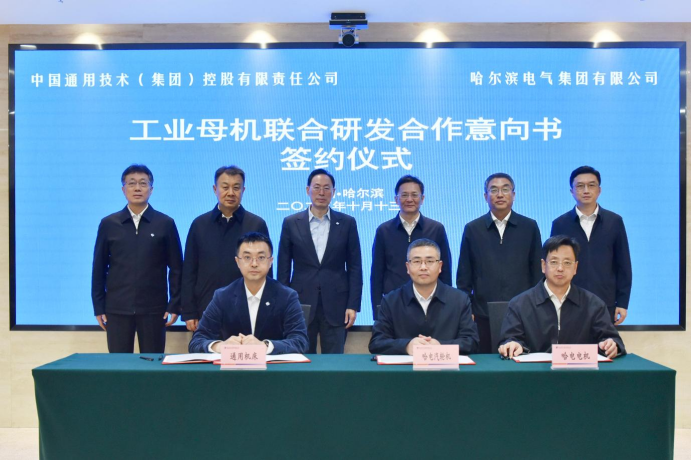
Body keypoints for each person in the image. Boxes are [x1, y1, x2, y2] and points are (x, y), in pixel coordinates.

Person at [91, 164, 182, 353]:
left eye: (143, 183)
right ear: (123, 189)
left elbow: (176, 268)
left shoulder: (165, 223)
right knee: (119, 365)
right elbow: (99, 268)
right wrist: (99, 306)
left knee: (153, 363)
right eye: (131, 183)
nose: (137, 188)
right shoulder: (109, 224)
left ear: (151, 189)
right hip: (117, 308)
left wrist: (174, 303)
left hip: (154, 309)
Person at [277, 168, 363, 354]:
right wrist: (283, 303)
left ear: (334, 191)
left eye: (326, 188)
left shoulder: (347, 223)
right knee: (300, 358)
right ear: (308, 190)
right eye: (316, 187)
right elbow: (283, 268)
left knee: (334, 361)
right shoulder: (291, 222)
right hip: (300, 302)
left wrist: (353, 305)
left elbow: (355, 267)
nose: (321, 192)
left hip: (337, 303)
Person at [499, 235, 626, 359]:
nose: (560, 268)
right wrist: (512, 344)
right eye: (554, 262)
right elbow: (510, 338)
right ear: (543, 266)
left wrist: (611, 344)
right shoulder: (520, 304)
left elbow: (611, 338)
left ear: (575, 267)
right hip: (534, 371)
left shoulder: (594, 304)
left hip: (580, 371)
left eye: (567, 263)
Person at [456, 173, 542, 353]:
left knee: (520, 360)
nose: (500, 194)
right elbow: (464, 275)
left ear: (514, 194)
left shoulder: (529, 226)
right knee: (486, 362)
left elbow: (537, 271)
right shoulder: (473, 228)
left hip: (523, 312)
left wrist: (537, 306)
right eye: (493, 190)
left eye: (505, 189)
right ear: (485, 196)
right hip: (482, 312)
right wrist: (467, 309)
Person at [181, 166, 270, 332]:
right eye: (225, 187)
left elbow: (266, 270)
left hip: (247, 308)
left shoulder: (256, 224)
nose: (231, 193)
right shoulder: (199, 224)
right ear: (215, 189)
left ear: (243, 190)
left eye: (236, 187)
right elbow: (189, 271)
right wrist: (188, 311)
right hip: (206, 307)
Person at [189, 232, 308, 354]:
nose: (254, 264)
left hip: (273, 365)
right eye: (247, 257)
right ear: (237, 262)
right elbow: (196, 341)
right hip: (234, 365)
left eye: (261, 258)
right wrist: (220, 346)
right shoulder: (223, 296)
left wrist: (265, 346)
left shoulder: (287, 296)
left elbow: (300, 341)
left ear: (271, 261)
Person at [551, 165, 632, 325]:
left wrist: (622, 303)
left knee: (603, 341)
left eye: (591, 185)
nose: (586, 190)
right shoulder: (560, 224)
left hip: (605, 302)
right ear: (572, 191)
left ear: (599, 190)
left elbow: (623, 264)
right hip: (568, 302)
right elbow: (553, 265)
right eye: (580, 186)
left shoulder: (614, 222)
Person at [369, 239, 478, 355]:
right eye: (416, 261)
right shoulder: (391, 301)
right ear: (407, 267)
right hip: (405, 366)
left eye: (430, 261)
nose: (423, 267)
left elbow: (471, 342)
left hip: (445, 366)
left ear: (440, 266)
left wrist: (441, 346)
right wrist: (406, 346)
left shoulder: (459, 300)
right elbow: (376, 343)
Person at [370, 175, 452, 319]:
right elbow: (377, 274)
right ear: (396, 199)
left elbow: (445, 271)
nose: (409, 199)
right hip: (394, 305)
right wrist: (378, 312)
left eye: (414, 195)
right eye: (404, 195)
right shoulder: (384, 230)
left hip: (430, 304)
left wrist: (447, 306)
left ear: (422, 199)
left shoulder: (436, 229)